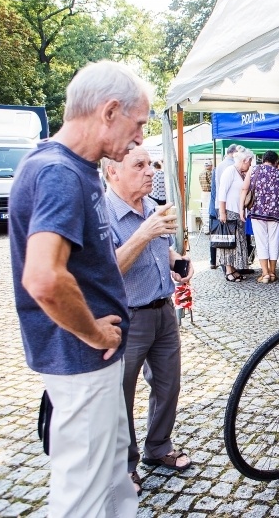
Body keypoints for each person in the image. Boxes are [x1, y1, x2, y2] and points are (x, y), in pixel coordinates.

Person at [9, 60, 148, 517]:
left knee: (110, 475)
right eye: (139, 123)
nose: (140, 138)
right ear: (110, 111)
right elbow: (44, 277)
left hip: (90, 362)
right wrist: (93, 332)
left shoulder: (70, 165)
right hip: (83, 358)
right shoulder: (59, 172)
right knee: (84, 493)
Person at [102, 147, 194, 497]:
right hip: (127, 318)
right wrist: (144, 232)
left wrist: (178, 262)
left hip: (163, 311)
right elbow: (107, 272)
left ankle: (159, 447)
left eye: (152, 164)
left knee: (168, 385)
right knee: (121, 396)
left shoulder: (154, 207)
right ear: (113, 172)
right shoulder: (103, 214)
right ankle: (125, 467)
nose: (150, 171)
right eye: (139, 165)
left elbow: (164, 248)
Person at [241, 150, 279, 283]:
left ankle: (265, 273)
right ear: (275, 162)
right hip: (275, 213)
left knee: (261, 242)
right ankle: (273, 272)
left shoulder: (253, 170)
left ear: (263, 159)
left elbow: (244, 189)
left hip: (257, 211)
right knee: (274, 241)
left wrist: (241, 209)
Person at [218, 148, 253, 281]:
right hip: (229, 211)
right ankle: (228, 270)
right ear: (245, 160)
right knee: (230, 242)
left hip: (237, 212)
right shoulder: (230, 171)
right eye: (249, 162)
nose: (250, 165)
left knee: (237, 242)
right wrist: (222, 212)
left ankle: (233, 269)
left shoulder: (239, 173)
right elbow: (222, 192)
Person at [208, 144, 242, 269]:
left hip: (217, 206)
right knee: (228, 237)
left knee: (221, 235)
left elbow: (215, 190)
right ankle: (228, 268)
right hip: (227, 207)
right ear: (234, 153)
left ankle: (217, 263)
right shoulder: (230, 167)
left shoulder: (219, 166)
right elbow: (223, 191)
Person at [199, 160, 212, 233]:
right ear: (210, 166)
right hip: (209, 193)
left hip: (203, 193)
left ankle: (205, 229)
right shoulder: (209, 173)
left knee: (204, 211)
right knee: (209, 211)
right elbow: (212, 183)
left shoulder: (201, 173)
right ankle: (210, 228)